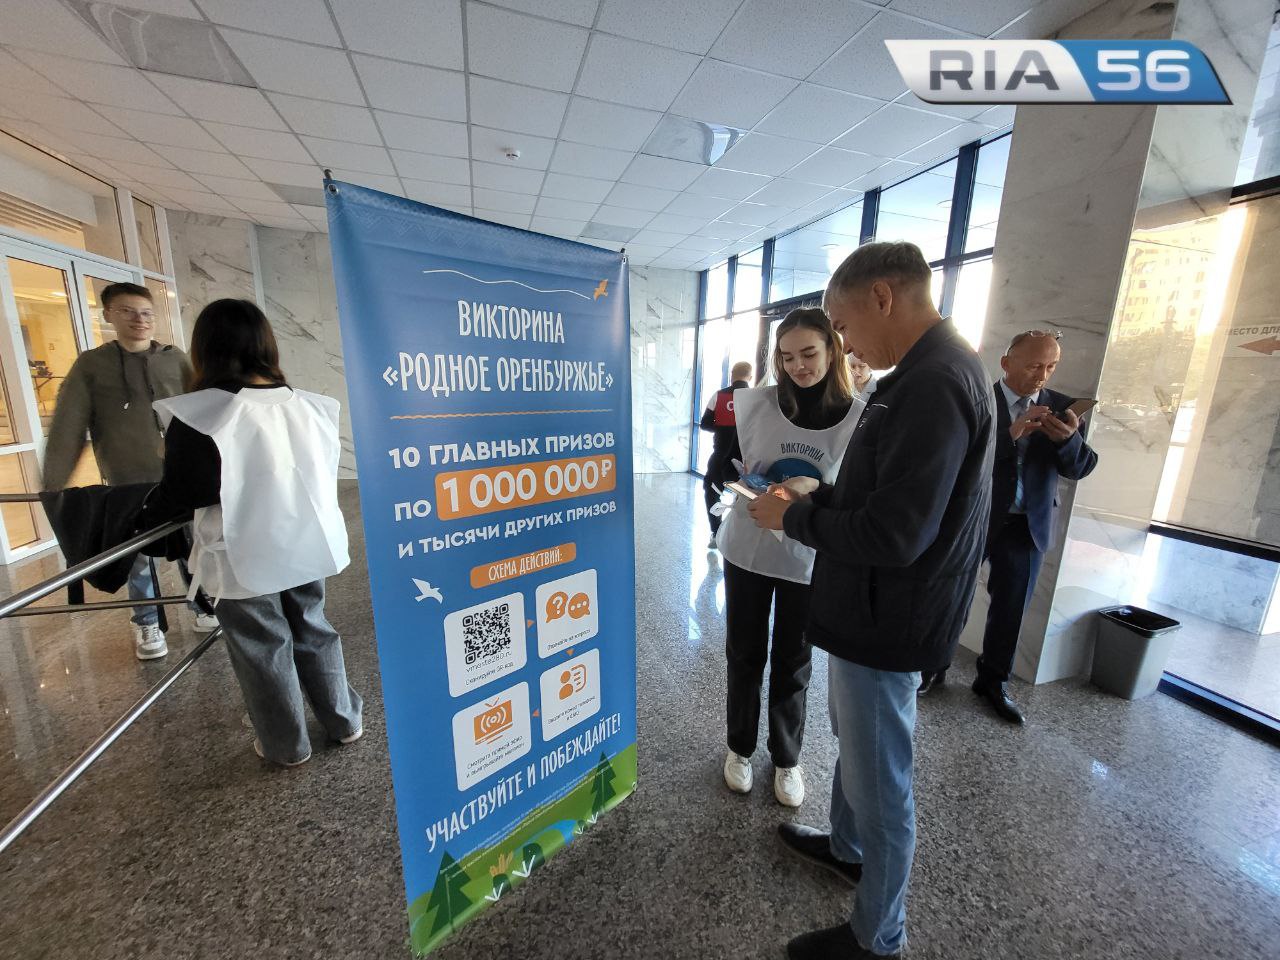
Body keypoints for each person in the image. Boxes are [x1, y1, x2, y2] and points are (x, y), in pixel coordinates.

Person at [748, 242, 994, 959]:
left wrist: (794, 518)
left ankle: (877, 936)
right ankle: (847, 848)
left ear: (883, 296)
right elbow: (887, 495)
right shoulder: (924, 371)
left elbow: (896, 533)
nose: (846, 345)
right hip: (874, 608)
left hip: (891, 615)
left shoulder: (934, 383)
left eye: (845, 324)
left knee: (883, 779)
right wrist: (821, 495)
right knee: (858, 746)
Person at [137, 299, 361, 767]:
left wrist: (142, 514)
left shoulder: (202, 414)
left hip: (241, 552)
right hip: (308, 542)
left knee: (262, 646)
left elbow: (185, 491)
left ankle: (286, 745)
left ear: (206, 349)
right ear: (266, 344)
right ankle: (344, 721)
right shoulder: (312, 406)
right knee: (314, 629)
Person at [917, 330, 1098, 721]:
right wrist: (1011, 434)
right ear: (1006, 363)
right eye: (1033, 366)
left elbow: (1081, 467)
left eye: (1050, 366)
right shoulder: (979, 398)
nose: (1042, 376)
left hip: (1026, 524)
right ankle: (933, 667)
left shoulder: (1062, 408)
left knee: (1011, 608)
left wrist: (1068, 441)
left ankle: (993, 681)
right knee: (952, 596)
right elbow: (955, 456)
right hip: (974, 517)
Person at [718, 309, 859, 808]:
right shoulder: (758, 404)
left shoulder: (858, 416)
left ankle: (786, 757)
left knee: (794, 659)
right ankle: (739, 747)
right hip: (749, 543)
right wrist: (747, 482)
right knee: (744, 652)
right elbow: (722, 465)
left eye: (809, 353)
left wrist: (814, 486)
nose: (798, 366)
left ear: (832, 350)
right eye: (787, 356)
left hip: (809, 551)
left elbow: (857, 495)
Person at [41, 281, 210, 661]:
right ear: (109, 315)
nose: (139, 320)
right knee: (138, 555)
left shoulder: (175, 359)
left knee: (192, 545)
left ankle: (202, 605)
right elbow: (69, 423)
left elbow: (203, 411)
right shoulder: (92, 365)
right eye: (128, 312)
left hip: (178, 476)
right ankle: (147, 622)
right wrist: (53, 482)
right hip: (126, 480)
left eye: (146, 313)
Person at [699, 361, 754, 548]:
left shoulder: (719, 395)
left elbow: (705, 424)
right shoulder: (756, 398)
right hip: (747, 460)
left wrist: (723, 427)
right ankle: (741, 537)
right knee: (747, 496)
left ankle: (717, 532)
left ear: (732, 375)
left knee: (711, 492)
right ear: (750, 377)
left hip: (720, 456)